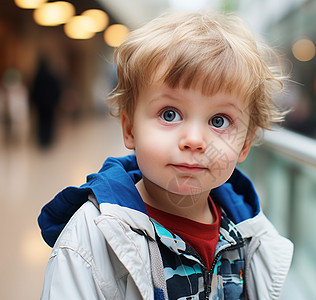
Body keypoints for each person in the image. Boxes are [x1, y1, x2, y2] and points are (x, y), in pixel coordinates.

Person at [38, 11, 293, 300]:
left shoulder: (250, 236)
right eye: (169, 114)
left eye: (219, 120)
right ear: (130, 128)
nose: (195, 141)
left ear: (245, 144)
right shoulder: (91, 240)